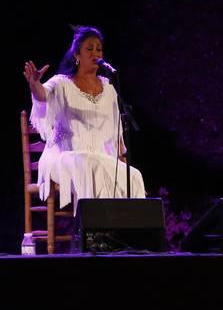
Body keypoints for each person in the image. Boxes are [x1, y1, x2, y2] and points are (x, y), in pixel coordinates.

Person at [22, 26, 145, 209]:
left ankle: (122, 233)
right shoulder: (62, 83)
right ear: (76, 55)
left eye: (99, 48)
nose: (95, 52)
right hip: (63, 156)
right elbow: (42, 96)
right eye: (89, 48)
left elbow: (116, 132)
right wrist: (34, 83)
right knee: (90, 163)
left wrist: (122, 161)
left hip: (100, 159)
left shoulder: (109, 88)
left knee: (134, 175)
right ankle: (92, 230)